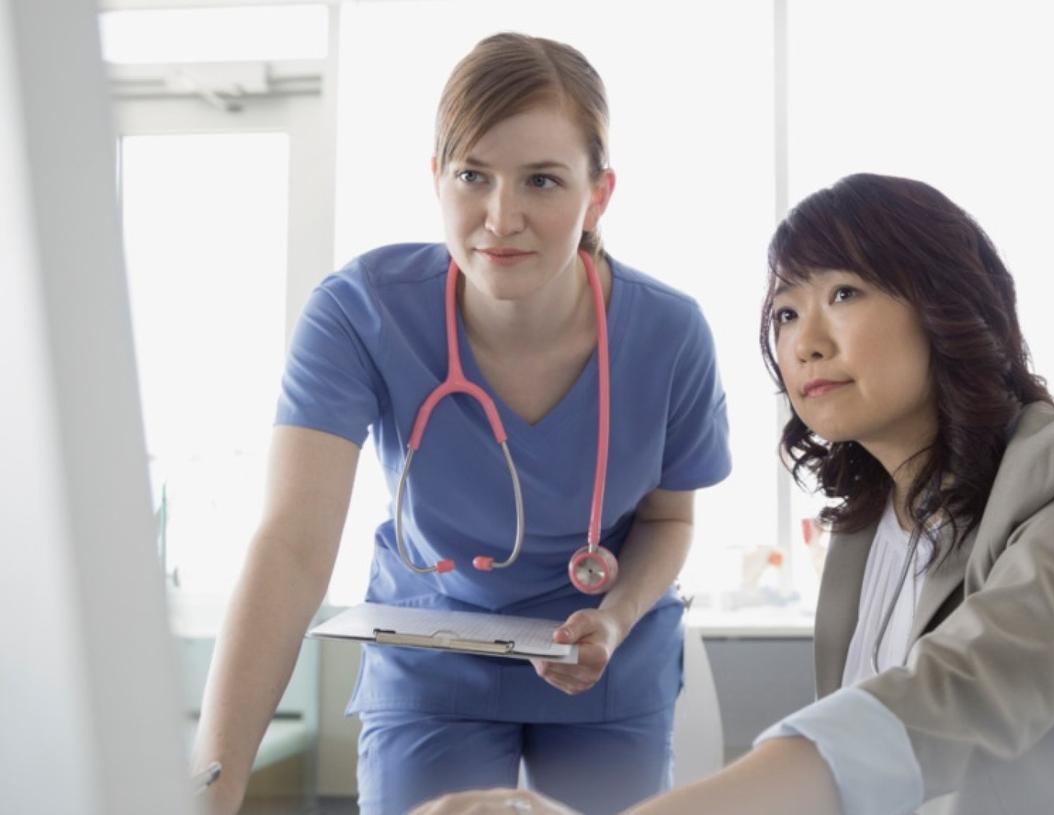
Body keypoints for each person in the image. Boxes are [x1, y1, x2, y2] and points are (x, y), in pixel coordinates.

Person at [411, 173, 1054, 815]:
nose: (804, 341)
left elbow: (950, 700)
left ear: (947, 305)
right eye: (783, 311)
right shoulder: (868, 527)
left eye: (844, 293)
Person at [190, 33, 730, 815]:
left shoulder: (669, 334)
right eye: (473, 174)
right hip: (433, 652)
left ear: (598, 194)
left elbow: (669, 518)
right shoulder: (362, 313)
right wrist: (214, 778)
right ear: (436, 176)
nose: (499, 217)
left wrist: (611, 618)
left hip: (602, 656)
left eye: (542, 180)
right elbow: (292, 544)